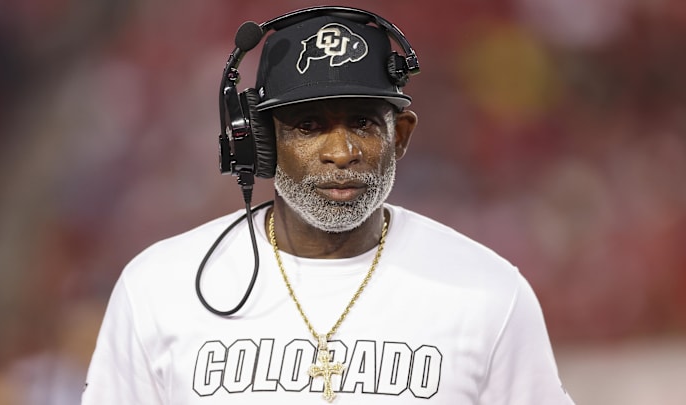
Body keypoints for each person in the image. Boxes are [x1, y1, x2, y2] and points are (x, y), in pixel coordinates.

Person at [82, 6, 575, 405]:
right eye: (309, 126)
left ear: (400, 136)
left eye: (362, 123)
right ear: (259, 143)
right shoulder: (158, 288)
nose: (341, 153)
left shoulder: (490, 293)